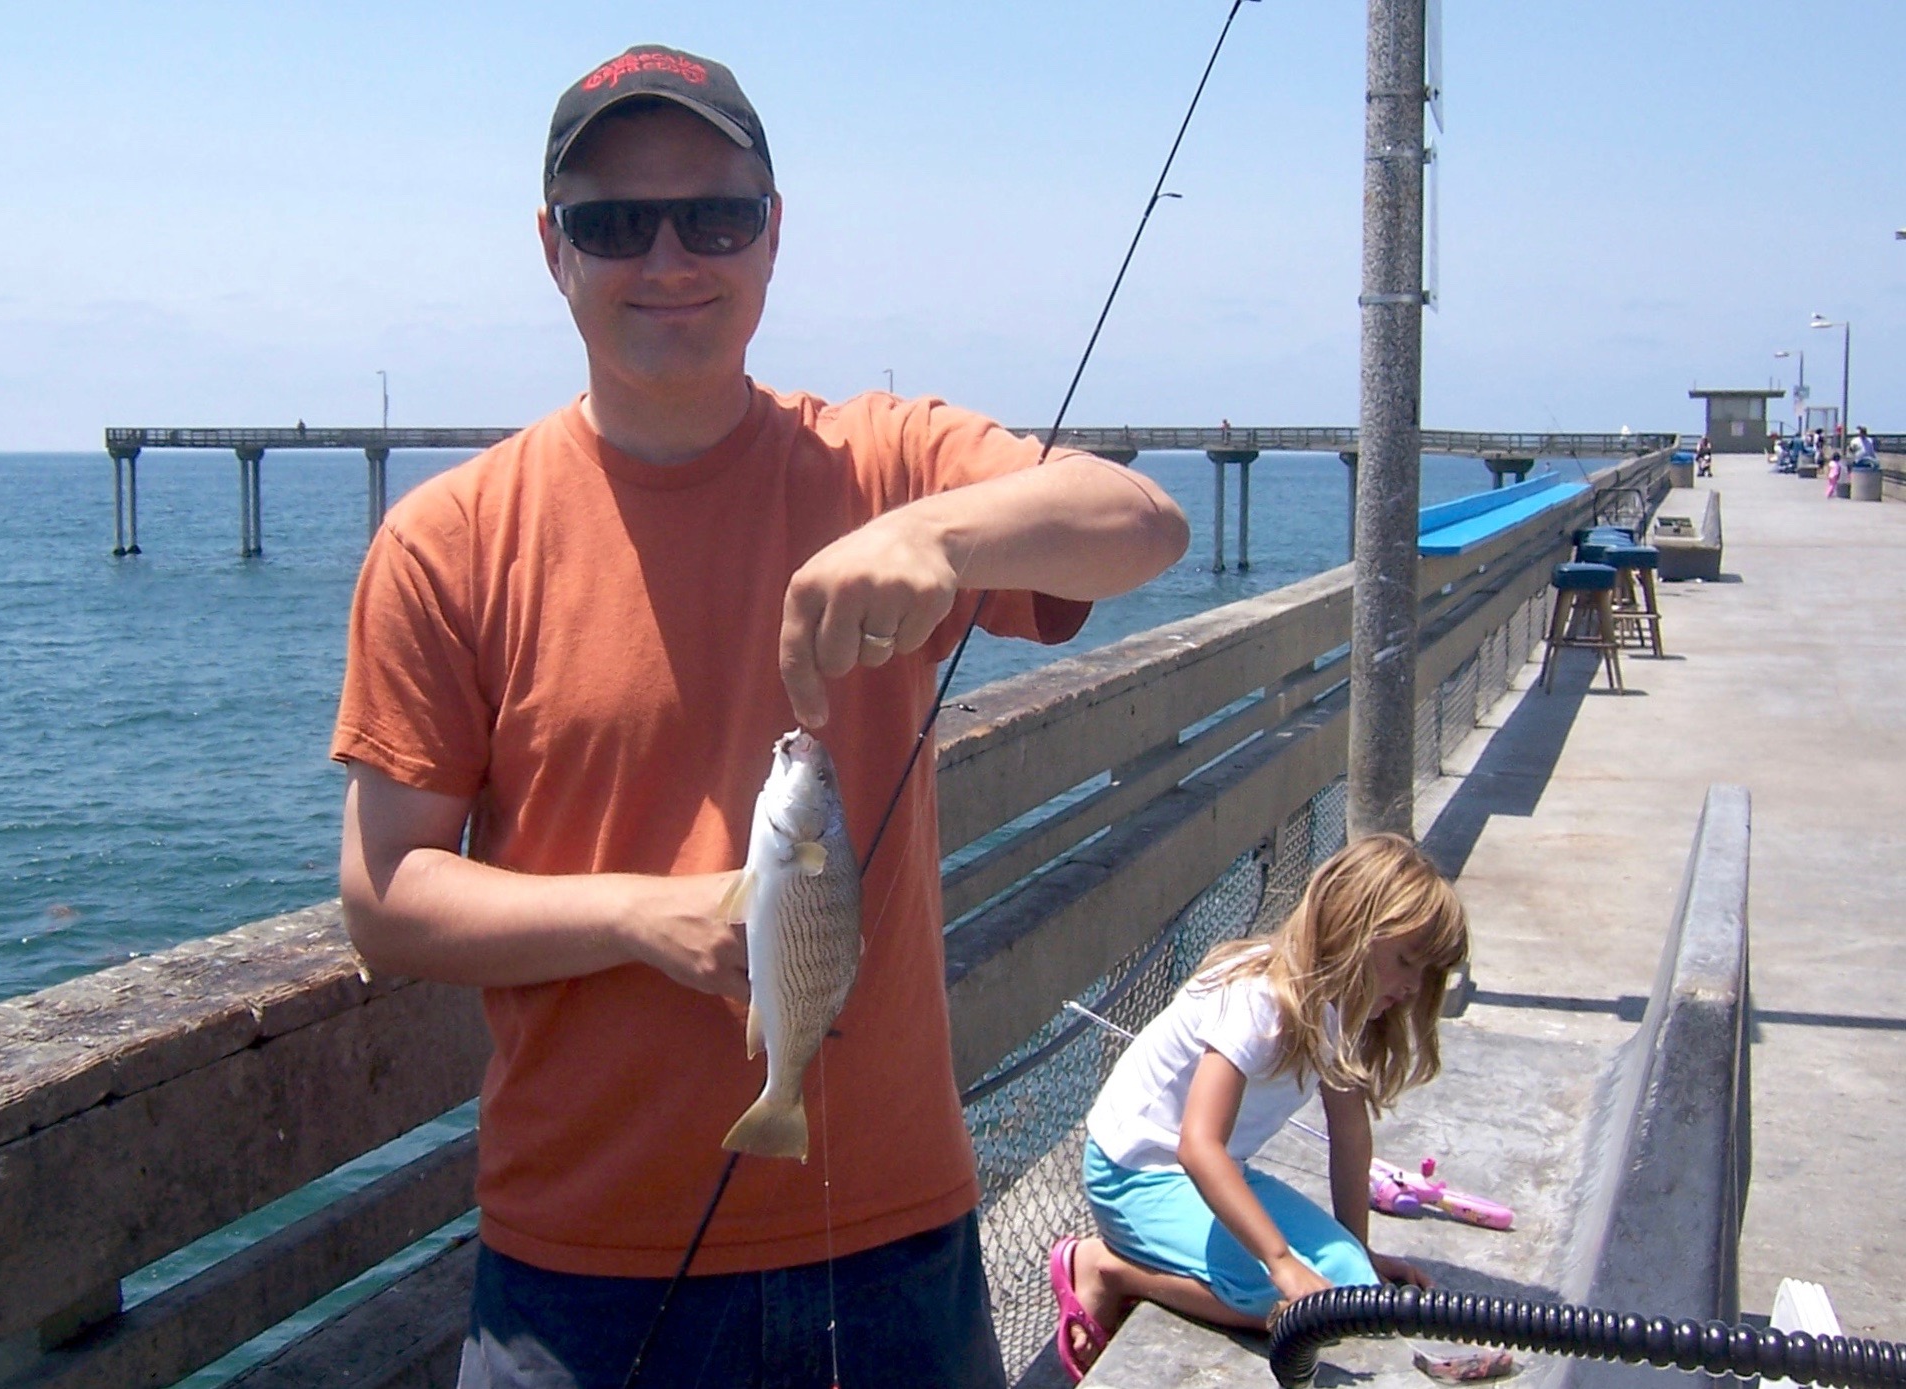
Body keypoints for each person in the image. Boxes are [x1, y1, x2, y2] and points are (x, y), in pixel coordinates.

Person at [330, 43, 1190, 1389]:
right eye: (615, 224)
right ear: (553, 251)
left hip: (893, 1235)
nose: (669, 258)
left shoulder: (887, 461)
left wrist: (945, 535)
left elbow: (1143, 526)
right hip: (580, 1278)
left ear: (773, 235)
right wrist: (638, 917)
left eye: (715, 216)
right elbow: (384, 895)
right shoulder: (447, 542)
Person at [1049, 834, 1468, 1382]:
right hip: (1135, 1175)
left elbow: (1350, 1138)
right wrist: (1282, 1262)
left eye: (1425, 973)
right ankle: (1108, 1269)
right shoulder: (1258, 999)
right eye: (1405, 961)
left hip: (1209, 1172)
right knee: (1297, 1304)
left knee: (1350, 1292)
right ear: (1349, 930)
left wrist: (1357, 1252)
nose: (1413, 988)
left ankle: (1297, 1270)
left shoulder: (1345, 1007)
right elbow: (1198, 1147)